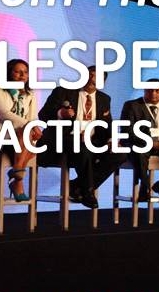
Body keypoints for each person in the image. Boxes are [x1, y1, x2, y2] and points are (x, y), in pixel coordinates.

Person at [36, 66, 126, 208]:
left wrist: (111, 140)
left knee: (120, 153)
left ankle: (78, 185)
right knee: (83, 148)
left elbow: (107, 125)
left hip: (92, 141)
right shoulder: (63, 92)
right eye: (89, 75)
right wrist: (60, 113)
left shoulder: (104, 99)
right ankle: (88, 191)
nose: (91, 79)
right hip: (64, 139)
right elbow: (43, 115)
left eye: (96, 77)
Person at [0, 59, 42, 201]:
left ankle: (17, 173)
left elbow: (32, 118)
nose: (23, 75)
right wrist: (30, 125)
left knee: (32, 137)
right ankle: (18, 179)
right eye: (18, 72)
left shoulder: (30, 94)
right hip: (0, 137)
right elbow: (4, 113)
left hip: (21, 138)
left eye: (26, 72)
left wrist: (33, 127)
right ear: (9, 73)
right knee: (28, 134)